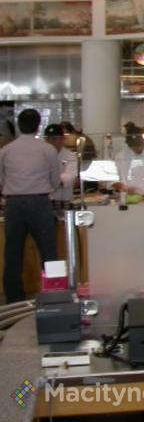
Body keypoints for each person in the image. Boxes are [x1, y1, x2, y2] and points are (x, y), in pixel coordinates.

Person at [0, 109, 61, 303]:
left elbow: (1, 180)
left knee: (13, 253)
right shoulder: (47, 149)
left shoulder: (6, 150)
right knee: (49, 253)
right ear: (38, 125)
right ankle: (55, 296)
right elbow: (55, 179)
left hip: (13, 203)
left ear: (18, 125)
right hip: (40, 202)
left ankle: (14, 299)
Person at [113, 122, 144, 199]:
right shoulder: (120, 155)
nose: (136, 148)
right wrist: (122, 187)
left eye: (139, 146)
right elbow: (112, 178)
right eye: (133, 146)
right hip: (127, 197)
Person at [43, 123, 78, 208]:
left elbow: (70, 175)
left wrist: (52, 181)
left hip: (64, 198)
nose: (52, 142)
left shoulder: (70, 155)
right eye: (49, 139)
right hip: (45, 199)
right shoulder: (41, 155)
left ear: (62, 139)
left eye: (55, 139)